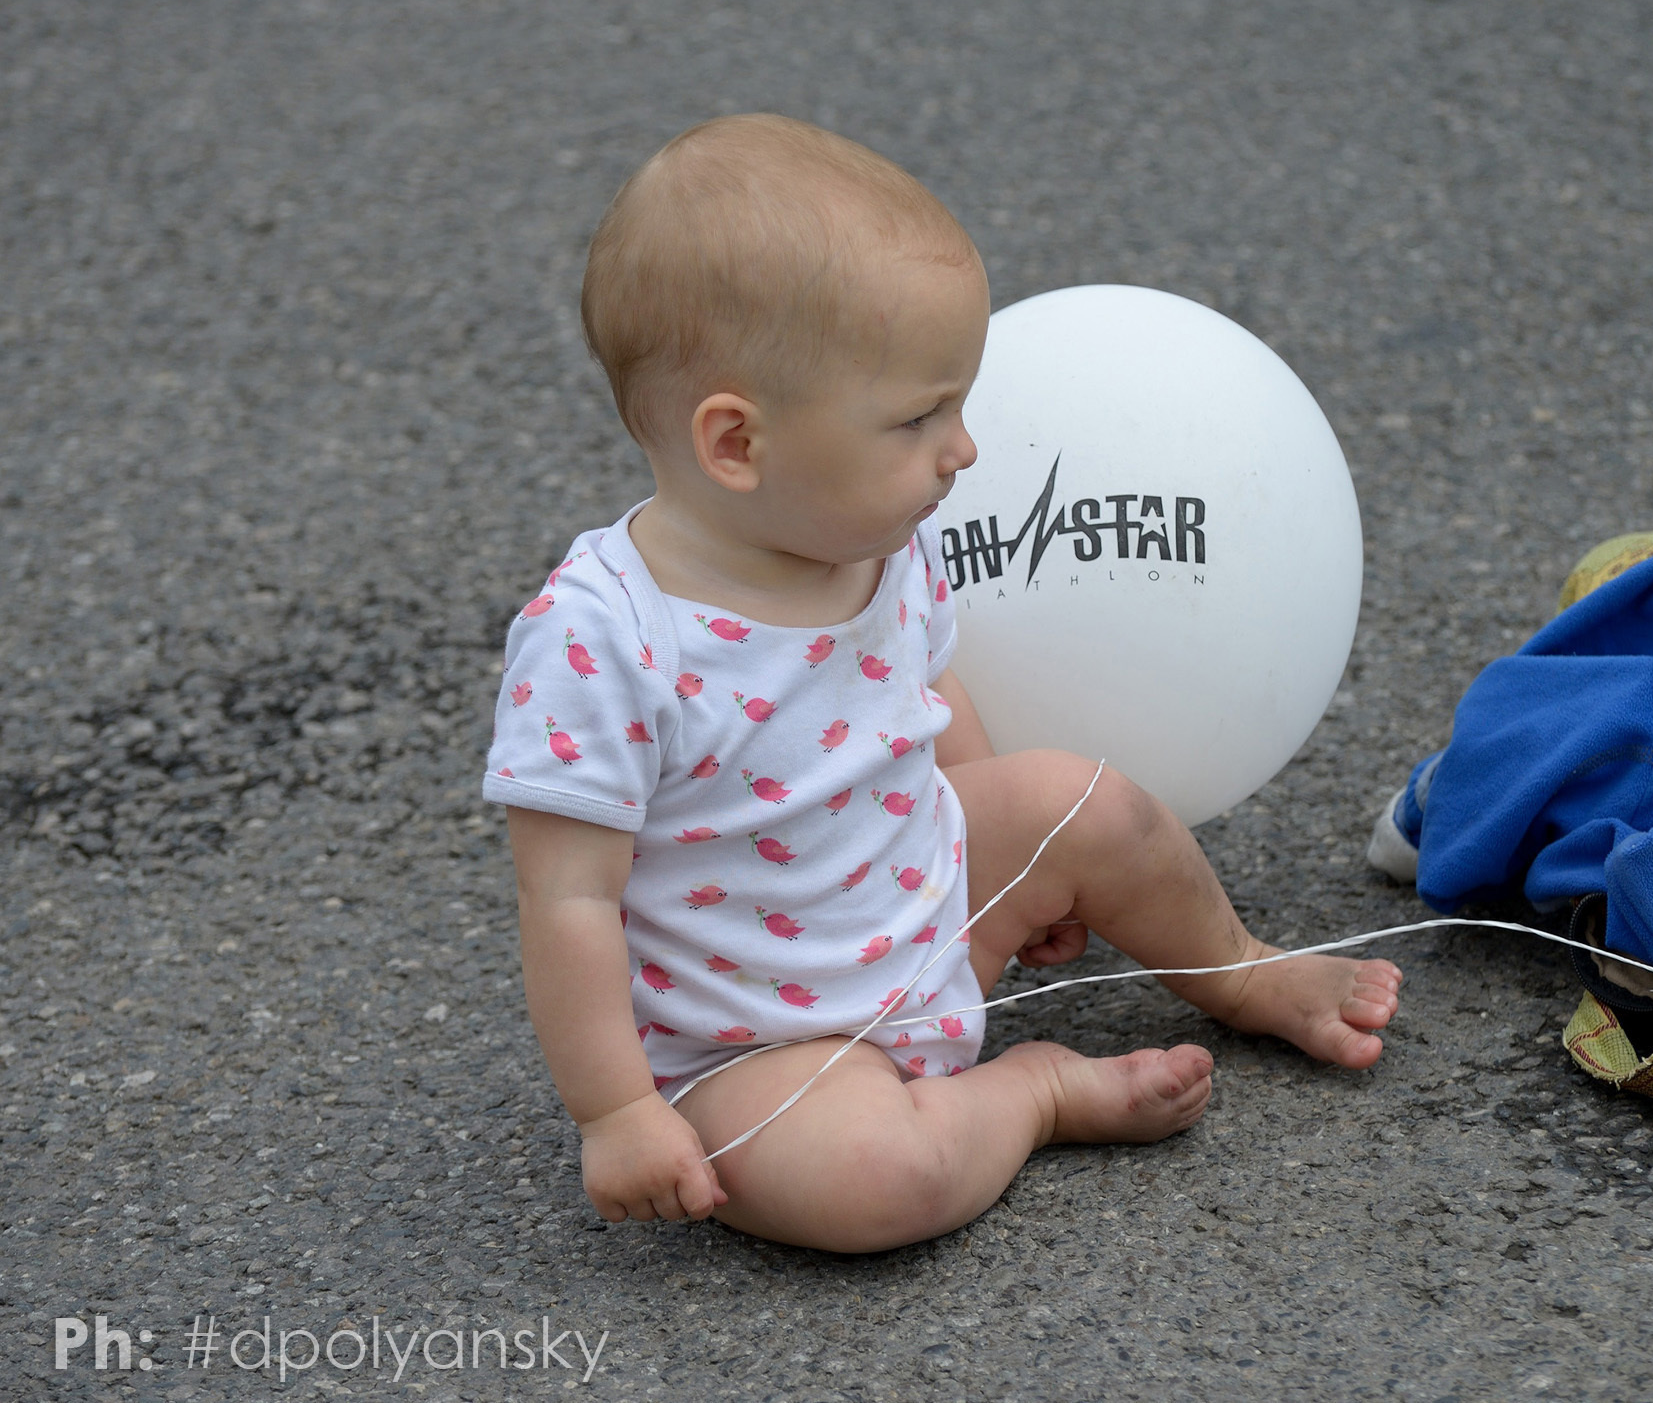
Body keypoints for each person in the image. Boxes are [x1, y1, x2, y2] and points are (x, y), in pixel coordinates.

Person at [483, 114, 1402, 1253]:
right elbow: (566, 901)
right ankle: (1034, 1094)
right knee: (874, 1181)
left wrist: (996, 850)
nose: (963, 449)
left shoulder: (875, 534)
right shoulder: (601, 639)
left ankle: (1238, 965)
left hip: (920, 909)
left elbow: (923, 701)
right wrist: (615, 1110)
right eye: (919, 416)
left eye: (958, 404)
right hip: (762, 1045)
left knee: (1091, 804)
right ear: (735, 443)